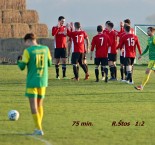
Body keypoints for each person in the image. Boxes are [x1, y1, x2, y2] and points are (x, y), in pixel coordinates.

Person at [17, 33, 52, 135]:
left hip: (32, 81)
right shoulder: (46, 49)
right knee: (40, 104)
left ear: (27, 40)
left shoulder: (28, 51)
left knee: (33, 106)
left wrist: (19, 61)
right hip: (43, 81)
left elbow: (22, 66)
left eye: (26, 43)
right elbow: (49, 63)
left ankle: (39, 128)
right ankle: (38, 128)